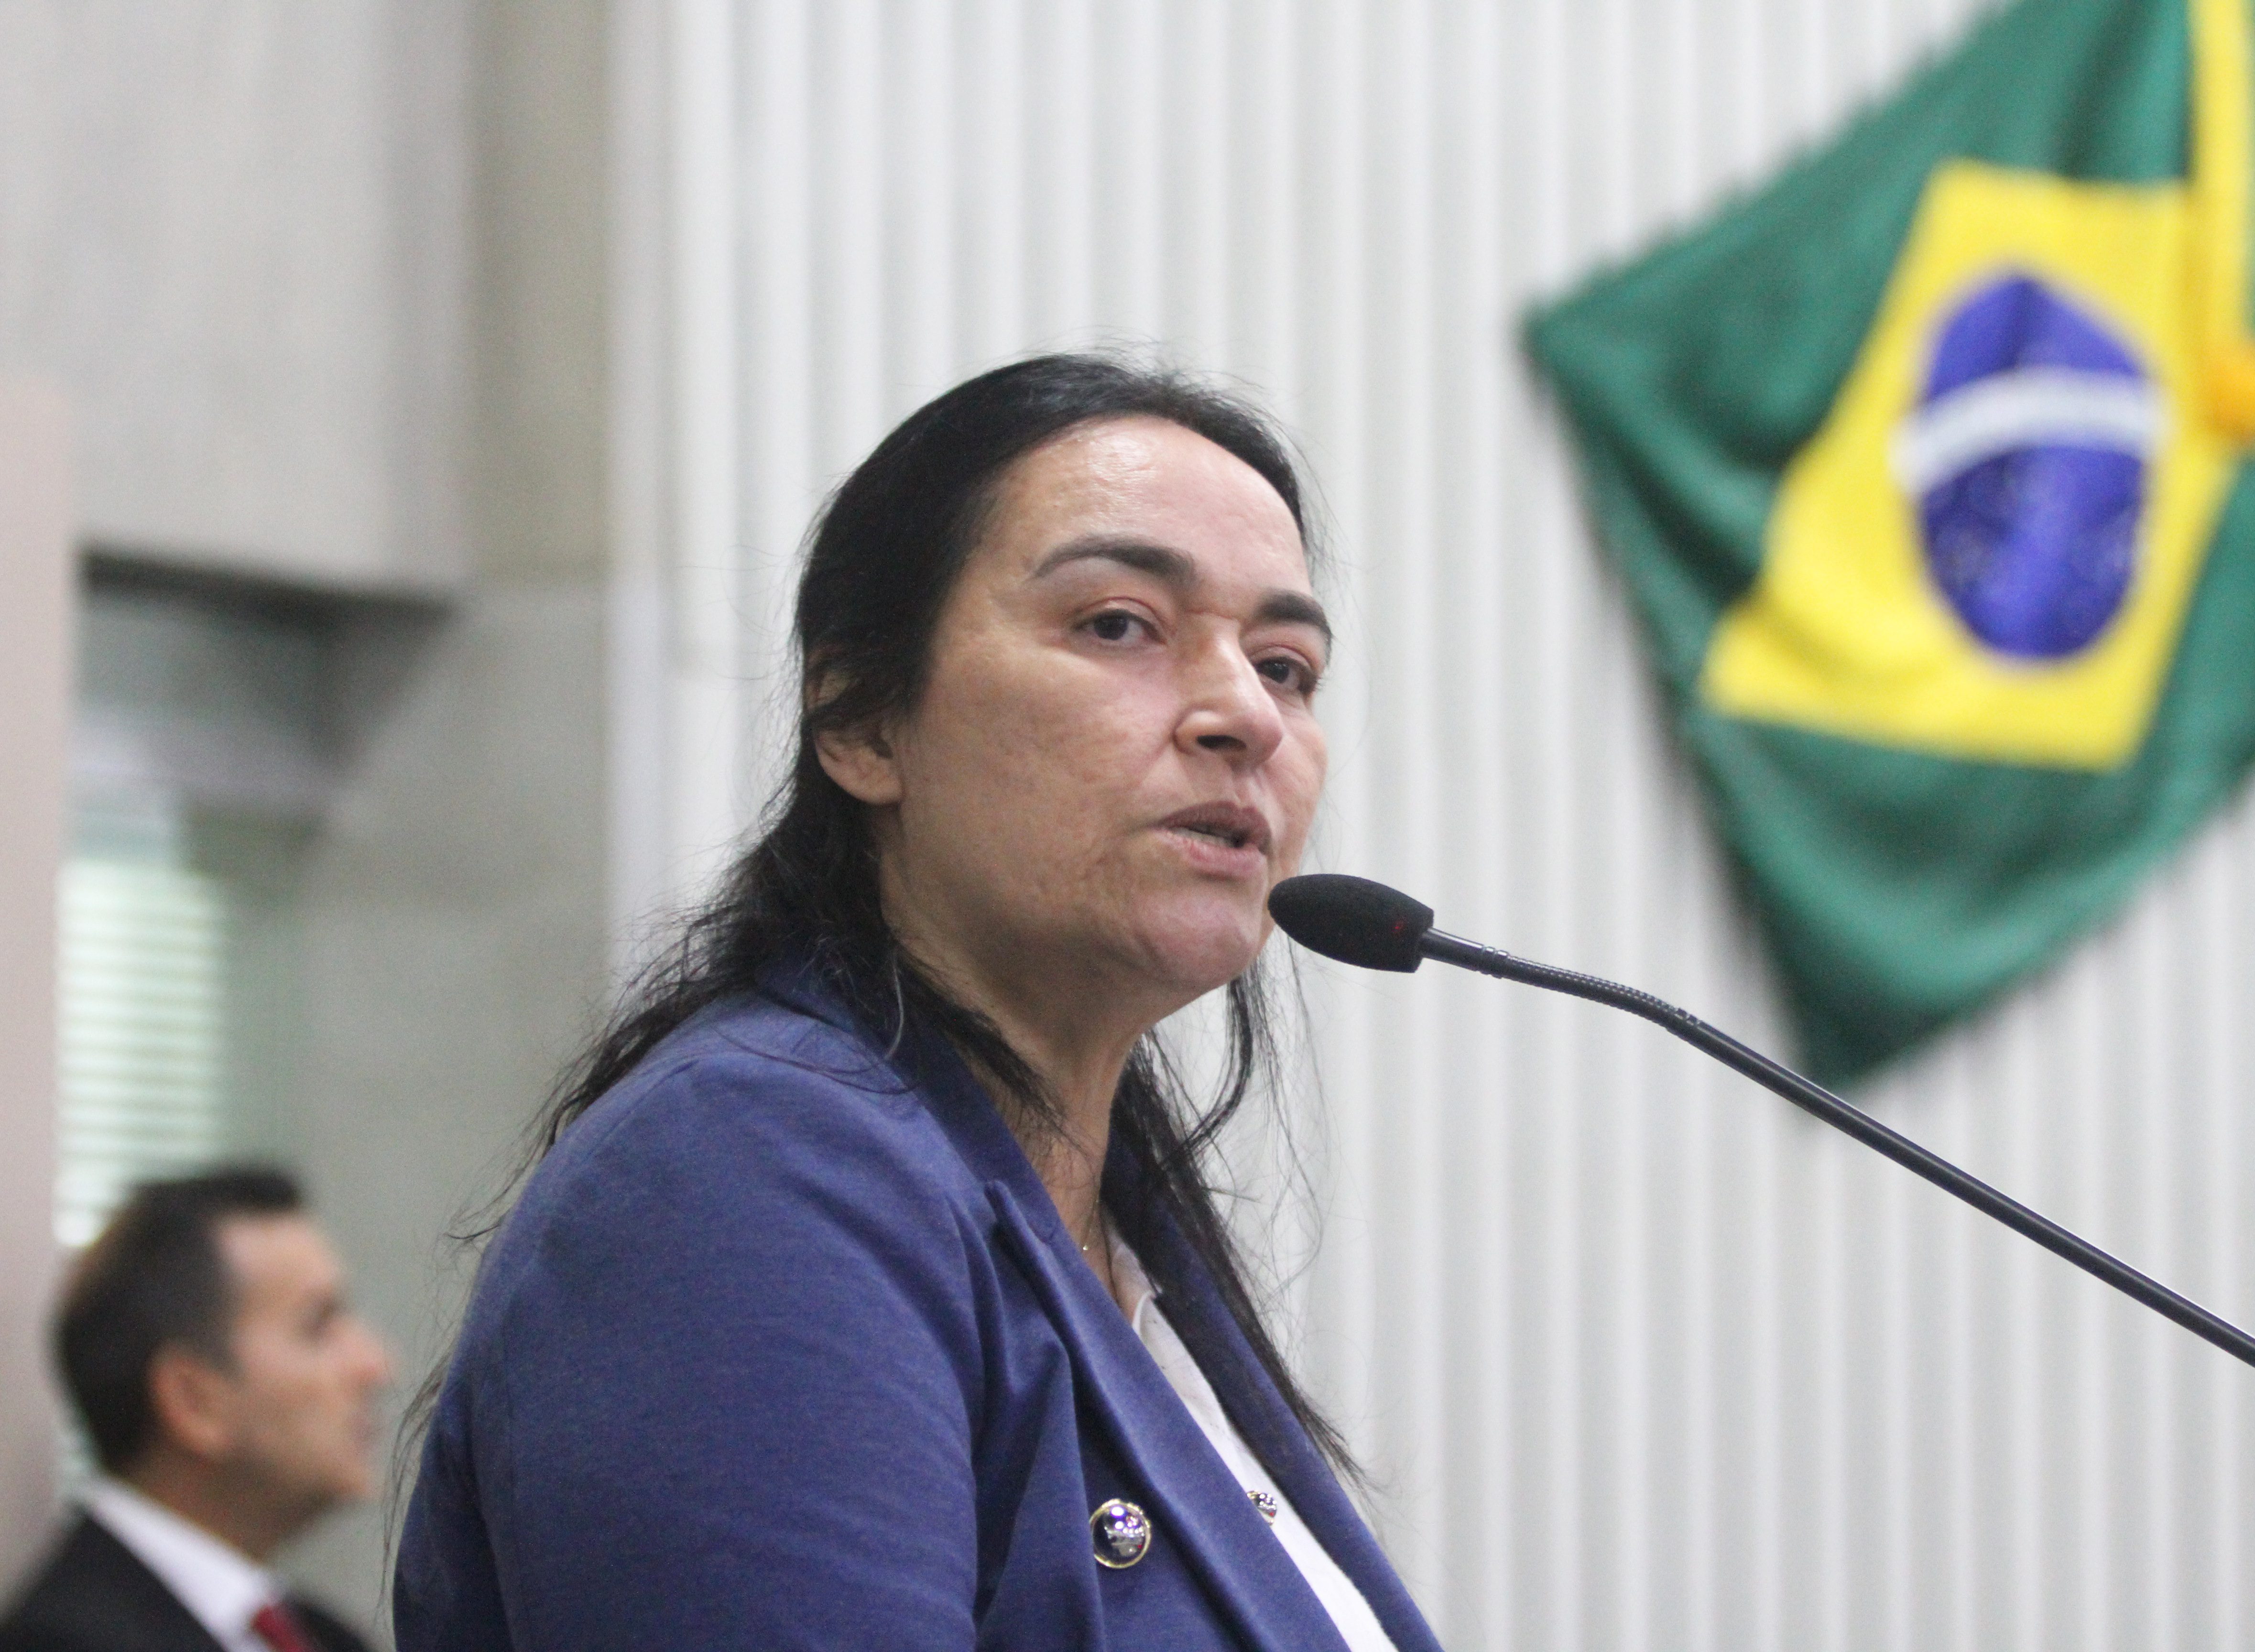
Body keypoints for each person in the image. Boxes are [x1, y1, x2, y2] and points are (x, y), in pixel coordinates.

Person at [394, 354, 1442, 1650]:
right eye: (1118, 624)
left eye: (1286, 665)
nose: (1246, 714)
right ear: (861, 722)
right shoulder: (745, 1172)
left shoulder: (1116, 1225)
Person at [1, 1168, 393, 1652]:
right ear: (193, 1400)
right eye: (317, 1326)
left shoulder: (325, 1636)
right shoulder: (64, 1641)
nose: (376, 1366)